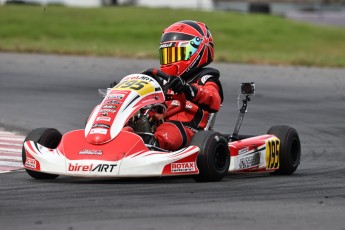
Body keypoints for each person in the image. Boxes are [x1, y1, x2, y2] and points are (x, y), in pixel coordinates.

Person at [152, 20, 223, 151]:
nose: (170, 60)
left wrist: (188, 89)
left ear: (195, 53)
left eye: (175, 55)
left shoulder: (206, 78)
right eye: (167, 55)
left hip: (188, 129)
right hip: (160, 122)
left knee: (167, 133)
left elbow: (214, 99)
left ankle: (153, 146)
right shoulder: (163, 79)